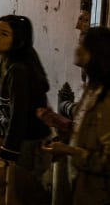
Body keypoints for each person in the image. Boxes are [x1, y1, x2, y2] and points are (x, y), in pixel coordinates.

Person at [38, 26, 110, 204]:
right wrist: (59, 122)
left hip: (98, 192)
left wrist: (68, 150)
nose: (76, 48)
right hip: (81, 187)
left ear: (97, 52)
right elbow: (84, 133)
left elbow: (107, 161)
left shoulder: (106, 98)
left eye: (82, 45)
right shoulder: (92, 89)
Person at [0, 14, 51, 205]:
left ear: (18, 40)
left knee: (11, 195)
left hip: (27, 143)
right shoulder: (9, 62)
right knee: (3, 191)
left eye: (4, 33)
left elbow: (18, 116)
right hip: (20, 141)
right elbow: (6, 110)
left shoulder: (18, 69)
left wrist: (6, 155)